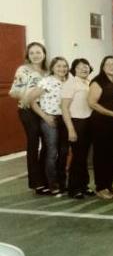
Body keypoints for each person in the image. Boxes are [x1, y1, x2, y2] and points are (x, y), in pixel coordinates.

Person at [9, 42, 48, 193]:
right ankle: (36, 182)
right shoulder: (23, 70)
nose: (35, 55)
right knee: (33, 142)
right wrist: (26, 97)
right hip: (28, 110)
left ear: (44, 53)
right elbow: (13, 92)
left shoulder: (48, 71)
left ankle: (46, 178)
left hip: (45, 110)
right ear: (28, 55)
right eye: (32, 53)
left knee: (47, 143)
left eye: (38, 52)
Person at [27, 57, 70, 197]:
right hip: (50, 119)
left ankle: (63, 183)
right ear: (52, 68)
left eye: (64, 66)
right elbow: (31, 100)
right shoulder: (47, 81)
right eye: (58, 66)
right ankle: (52, 185)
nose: (62, 69)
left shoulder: (68, 81)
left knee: (64, 152)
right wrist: (45, 116)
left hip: (65, 120)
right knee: (52, 153)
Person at [88, 56, 113, 199]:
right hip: (101, 123)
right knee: (102, 156)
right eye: (108, 64)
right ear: (103, 67)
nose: (112, 66)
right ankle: (101, 187)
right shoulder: (97, 81)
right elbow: (92, 103)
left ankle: (109, 184)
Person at [61, 58, 93, 199]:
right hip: (76, 123)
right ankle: (74, 189)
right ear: (74, 69)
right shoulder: (71, 83)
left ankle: (83, 186)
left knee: (83, 157)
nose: (84, 69)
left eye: (86, 66)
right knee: (78, 157)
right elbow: (64, 107)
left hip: (88, 122)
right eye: (79, 67)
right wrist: (71, 129)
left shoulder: (88, 83)